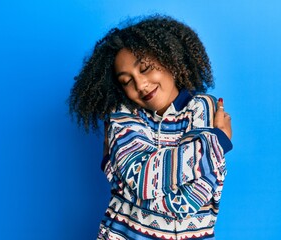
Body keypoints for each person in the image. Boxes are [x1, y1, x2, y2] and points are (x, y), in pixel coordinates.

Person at [68, 14, 233, 240]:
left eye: (145, 68)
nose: (140, 84)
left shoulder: (204, 108)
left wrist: (117, 176)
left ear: (169, 59)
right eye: (127, 81)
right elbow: (144, 180)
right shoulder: (122, 115)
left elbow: (187, 200)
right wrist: (216, 143)